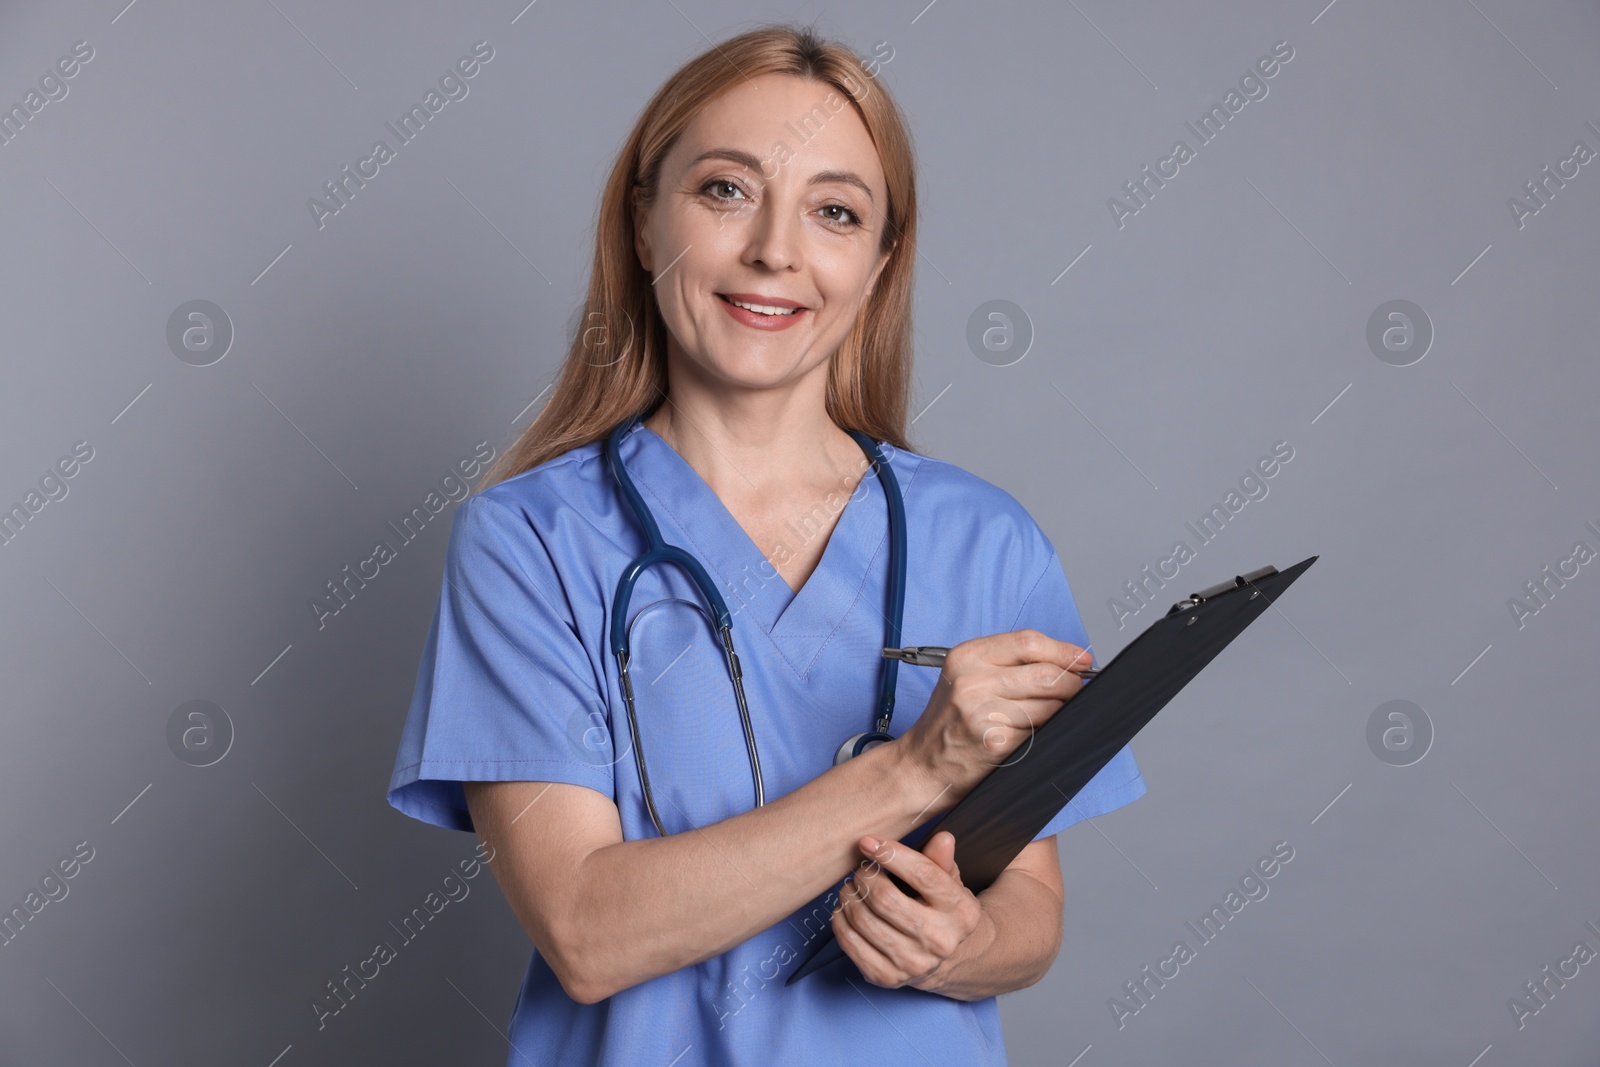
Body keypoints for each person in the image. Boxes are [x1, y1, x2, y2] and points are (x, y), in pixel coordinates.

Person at [386, 22, 1145, 1066]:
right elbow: (586, 930)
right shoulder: (529, 542)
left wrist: (959, 943)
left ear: (879, 264)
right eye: (725, 190)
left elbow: (1031, 913)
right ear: (644, 221)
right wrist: (914, 771)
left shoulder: (984, 540)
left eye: (834, 212)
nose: (776, 251)